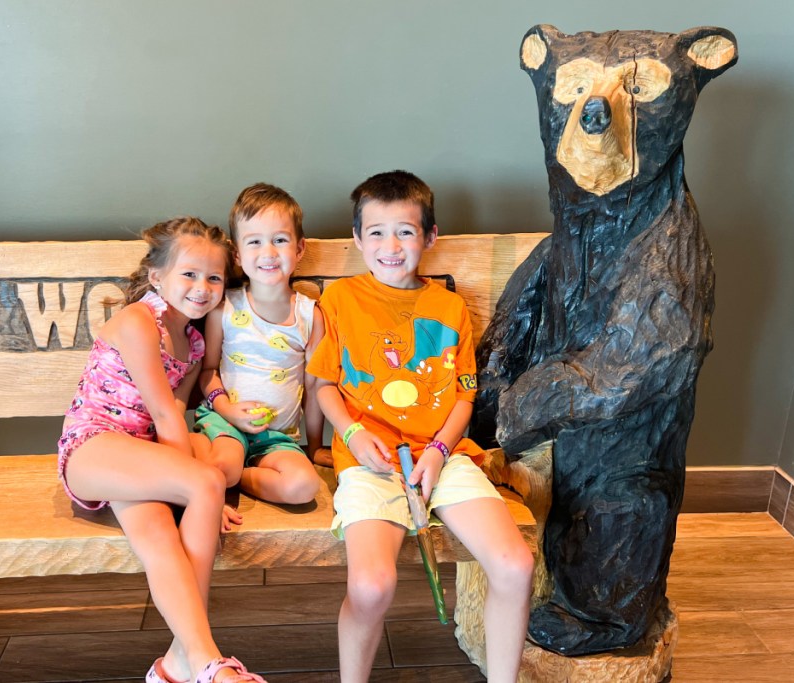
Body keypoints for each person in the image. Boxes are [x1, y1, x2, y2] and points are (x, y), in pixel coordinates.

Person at [306, 171, 534, 683]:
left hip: (443, 455)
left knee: (515, 565)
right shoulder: (340, 301)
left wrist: (436, 450)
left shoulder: (450, 309)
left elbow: (464, 394)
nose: (391, 245)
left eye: (406, 231)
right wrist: (352, 435)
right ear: (358, 239)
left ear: (430, 237)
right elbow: (322, 387)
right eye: (377, 232)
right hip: (369, 461)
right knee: (371, 586)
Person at [57, 217, 267, 683]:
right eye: (189, 274)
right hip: (94, 447)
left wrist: (195, 494)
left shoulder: (192, 341)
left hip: (140, 456)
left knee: (159, 541)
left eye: (214, 278)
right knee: (208, 480)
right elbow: (167, 416)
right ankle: (211, 664)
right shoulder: (137, 322)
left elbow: (177, 407)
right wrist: (197, 494)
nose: (202, 287)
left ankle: (175, 667)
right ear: (157, 277)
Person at [195, 183, 325, 504]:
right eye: (255, 242)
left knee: (304, 487)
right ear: (238, 254)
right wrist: (228, 410)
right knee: (224, 463)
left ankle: (237, 480)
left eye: (280, 240)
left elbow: (314, 389)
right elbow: (207, 370)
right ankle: (227, 474)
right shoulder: (224, 309)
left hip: (279, 439)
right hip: (226, 423)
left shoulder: (310, 316)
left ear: (299, 248)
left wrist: (315, 446)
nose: (268, 253)